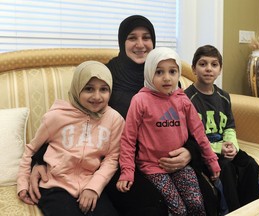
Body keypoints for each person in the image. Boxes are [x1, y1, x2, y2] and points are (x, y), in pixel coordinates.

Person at [28, 15, 219, 216]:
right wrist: (39, 160)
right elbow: (74, 117)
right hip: (119, 163)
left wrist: (189, 152)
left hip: (169, 159)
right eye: (132, 38)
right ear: (122, 41)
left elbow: (188, 126)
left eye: (146, 37)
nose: (140, 44)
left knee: (206, 200)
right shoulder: (108, 75)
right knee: (154, 207)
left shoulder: (166, 78)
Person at [116, 47, 221, 216]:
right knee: (178, 209)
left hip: (181, 166)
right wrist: (127, 171)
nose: (167, 78)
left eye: (172, 72)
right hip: (152, 167)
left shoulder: (183, 100)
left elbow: (199, 133)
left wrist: (211, 160)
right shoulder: (140, 100)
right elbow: (128, 139)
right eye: (159, 72)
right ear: (150, 73)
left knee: (196, 204)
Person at [17, 61, 125, 216]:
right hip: (54, 185)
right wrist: (22, 183)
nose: (96, 96)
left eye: (103, 89)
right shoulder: (56, 116)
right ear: (77, 87)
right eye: (89, 89)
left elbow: (112, 157)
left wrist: (94, 187)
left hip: (90, 183)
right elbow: (30, 150)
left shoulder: (115, 120)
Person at [184, 45, 259, 213]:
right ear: (193, 69)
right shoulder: (186, 98)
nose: (208, 69)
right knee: (226, 169)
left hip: (224, 146)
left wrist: (232, 145)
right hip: (204, 150)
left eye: (214, 64)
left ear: (220, 70)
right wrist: (219, 148)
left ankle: (253, 210)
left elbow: (230, 127)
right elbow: (189, 138)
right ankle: (233, 211)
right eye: (203, 64)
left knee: (250, 165)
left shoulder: (224, 97)